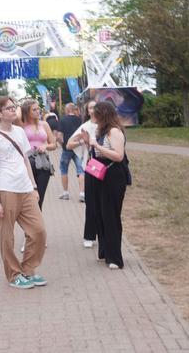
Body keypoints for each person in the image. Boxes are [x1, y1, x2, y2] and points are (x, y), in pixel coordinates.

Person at [0, 96, 47, 289]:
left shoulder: (20, 132)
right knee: (7, 236)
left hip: (26, 189)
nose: (14, 110)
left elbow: (26, 160)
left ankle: (28, 269)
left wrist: (34, 186)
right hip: (6, 190)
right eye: (9, 108)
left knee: (39, 231)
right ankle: (13, 275)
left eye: (14, 107)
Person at [80, 101, 128, 270]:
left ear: (104, 114)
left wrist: (97, 145)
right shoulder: (101, 130)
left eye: (96, 113)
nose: (92, 115)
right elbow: (98, 152)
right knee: (99, 213)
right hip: (98, 174)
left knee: (110, 215)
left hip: (113, 177)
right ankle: (105, 251)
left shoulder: (114, 131)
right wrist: (88, 143)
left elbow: (118, 156)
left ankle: (115, 257)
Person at [67, 99, 98, 248]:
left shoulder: (107, 126)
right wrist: (82, 142)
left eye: (96, 107)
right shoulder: (85, 127)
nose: (94, 110)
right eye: (91, 108)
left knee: (103, 204)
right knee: (91, 203)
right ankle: (89, 235)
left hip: (108, 168)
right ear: (88, 111)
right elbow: (69, 144)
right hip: (91, 168)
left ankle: (103, 234)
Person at [21, 99, 57, 210]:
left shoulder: (44, 124)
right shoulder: (21, 125)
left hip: (42, 163)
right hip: (26, 163)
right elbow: (18, 114)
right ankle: (31, 224)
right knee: (29, 198)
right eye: (34, 109)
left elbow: (54, 145)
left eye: (38, 109)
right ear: (27, 112)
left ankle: (37, 225)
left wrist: (45, 146)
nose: (38, 112)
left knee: (39, 199)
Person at [58, 103, 84, 203]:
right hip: (78, 148)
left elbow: (59, 136)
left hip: (66, 149)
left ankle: (65, 193)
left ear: (67, 110)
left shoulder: (63, 120)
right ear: (73, 110)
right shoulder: (79, 120)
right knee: (81, 170)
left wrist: (62, 145)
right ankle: (82, 193)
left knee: (64, 169)